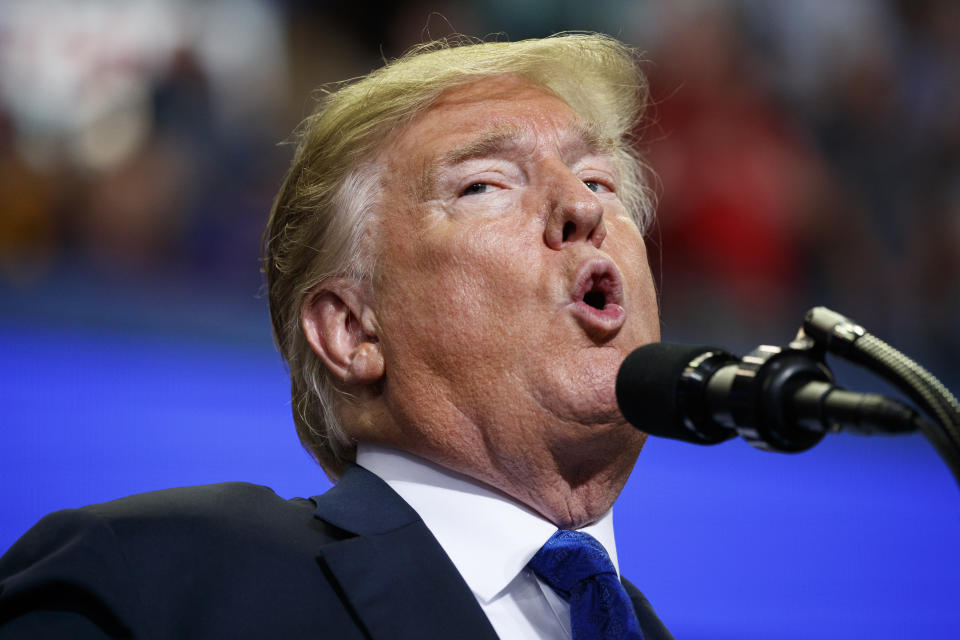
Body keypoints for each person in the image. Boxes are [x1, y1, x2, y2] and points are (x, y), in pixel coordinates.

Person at [0, 34, 671, 639]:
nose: (583, 208)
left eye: (598, 179)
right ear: (352, 330)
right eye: (483, 185)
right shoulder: (152, 587)